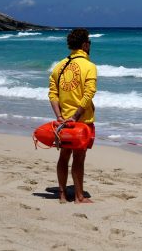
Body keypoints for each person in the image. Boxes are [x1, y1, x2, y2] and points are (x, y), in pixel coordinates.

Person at [48, 28, 97, 204]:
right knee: (79, 157)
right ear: (84, 44)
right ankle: (79, 197)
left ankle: (62, 195)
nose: (90, 45)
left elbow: (53, 94)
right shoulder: (89, 66)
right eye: (89, 42)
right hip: (81, 122)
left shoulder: (59, 67)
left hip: (63, 123)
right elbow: (89, 93)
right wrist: (76, 116)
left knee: (64, 156)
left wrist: (59, 116)